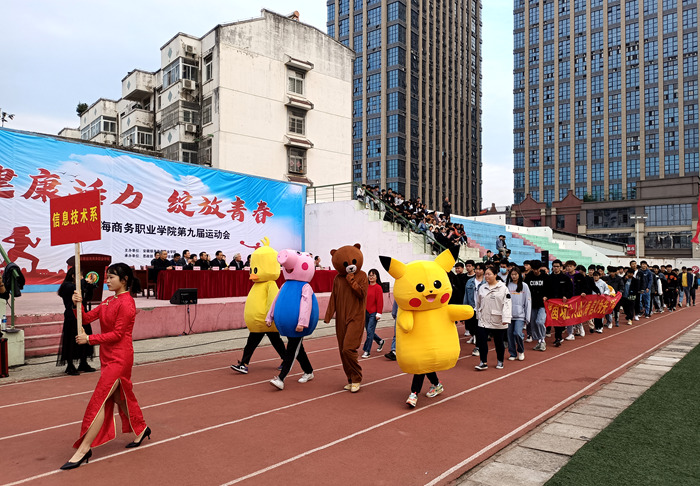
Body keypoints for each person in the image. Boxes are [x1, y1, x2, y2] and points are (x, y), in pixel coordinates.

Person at [61, 263, 150, 470]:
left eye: (111, 277)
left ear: (124, 279)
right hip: (107, 355)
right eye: (107, 277)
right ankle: (141, 428)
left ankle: (84, 449)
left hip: (120, 357)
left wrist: (89, 339)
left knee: (100, 399)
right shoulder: (109, 301)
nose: (107, 281)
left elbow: (118, 334)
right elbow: (86, 318)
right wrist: (77, 305)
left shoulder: (127, 304)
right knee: (120, 397)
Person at [57, 268, 96, 375]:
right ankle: (70, 365)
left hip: (83, 314)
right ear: (73, 275)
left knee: (85, 336)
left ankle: (83, 362)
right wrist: (85, 282)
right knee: (71, 339)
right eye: (80, 275)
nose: (82, 278)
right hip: (71, 315)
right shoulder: (67, 286)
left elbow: (88, 297)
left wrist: (90, 286)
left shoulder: (80, 285)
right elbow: (75, 288)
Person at [474, 266, 512, 371]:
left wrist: (506, 318)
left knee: (498, 342)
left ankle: (500, 361)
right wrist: (478, 315)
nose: (486, 276)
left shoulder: (503, 288)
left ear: (495, 275)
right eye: (485, 274)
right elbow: (478, 302)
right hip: (484, 319)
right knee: (481, 341)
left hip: (498, 319)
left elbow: (507, 304)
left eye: (489, 274)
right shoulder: (482, 288)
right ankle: (483, 362)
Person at [544, 260, 574, 347]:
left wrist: (566, 296)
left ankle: (558, 337)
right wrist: (546, 296)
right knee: (553, 319)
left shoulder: (565, 278)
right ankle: (555, 336)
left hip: (562, 303)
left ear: (561, 267)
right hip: (551, 303)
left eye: (557, 266)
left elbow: (570, 290)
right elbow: (546, 289)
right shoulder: (549, 278)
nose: (555, 268)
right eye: (554, 266)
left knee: (559, 320)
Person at [506, 267, 531, 361]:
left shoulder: (524, 286)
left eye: (515, 274)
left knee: (517, 333)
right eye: (512, 274)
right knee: (509, 335)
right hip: (509, 315)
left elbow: (527, 301)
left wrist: (527, 317)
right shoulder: (507, 285)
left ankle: (521, 351)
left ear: (519, 275)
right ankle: (512, 353)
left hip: (520, 315)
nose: (514, 276)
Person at [524, 260, 547, 351]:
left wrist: (547, 296)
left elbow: (550, 289)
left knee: (539, 322)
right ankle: (539, 341)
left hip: (542, 304)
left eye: (537, 269)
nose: (536, 271)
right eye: (534, 269)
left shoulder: (545, 277)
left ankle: (542, 340)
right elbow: (525, 289)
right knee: (533, 323)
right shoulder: (529, 277)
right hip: (532, 304)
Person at [361, 269, 385, 358]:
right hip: (365, 312)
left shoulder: (378, 287)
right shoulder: (366, 286)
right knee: (369, 331)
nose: (371, 277)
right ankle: (380, 341)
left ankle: (367, 351)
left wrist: (379, 313)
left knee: (370, 332)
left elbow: (380, 302)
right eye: (369, 275)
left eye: (373, 275)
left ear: (376, 277)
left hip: (373, 313)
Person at [464, 262, 486, 357]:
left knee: (480, 329)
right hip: (472, 308)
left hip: (483, 309)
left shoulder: (486, 282)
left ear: (483, 271)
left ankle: (478, 347)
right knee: (472, 328)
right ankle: (479, 343)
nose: (477, 271)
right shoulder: (470, 282)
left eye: (480, 269)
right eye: (476, 269)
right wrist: (465, 308)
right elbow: (466, 296)